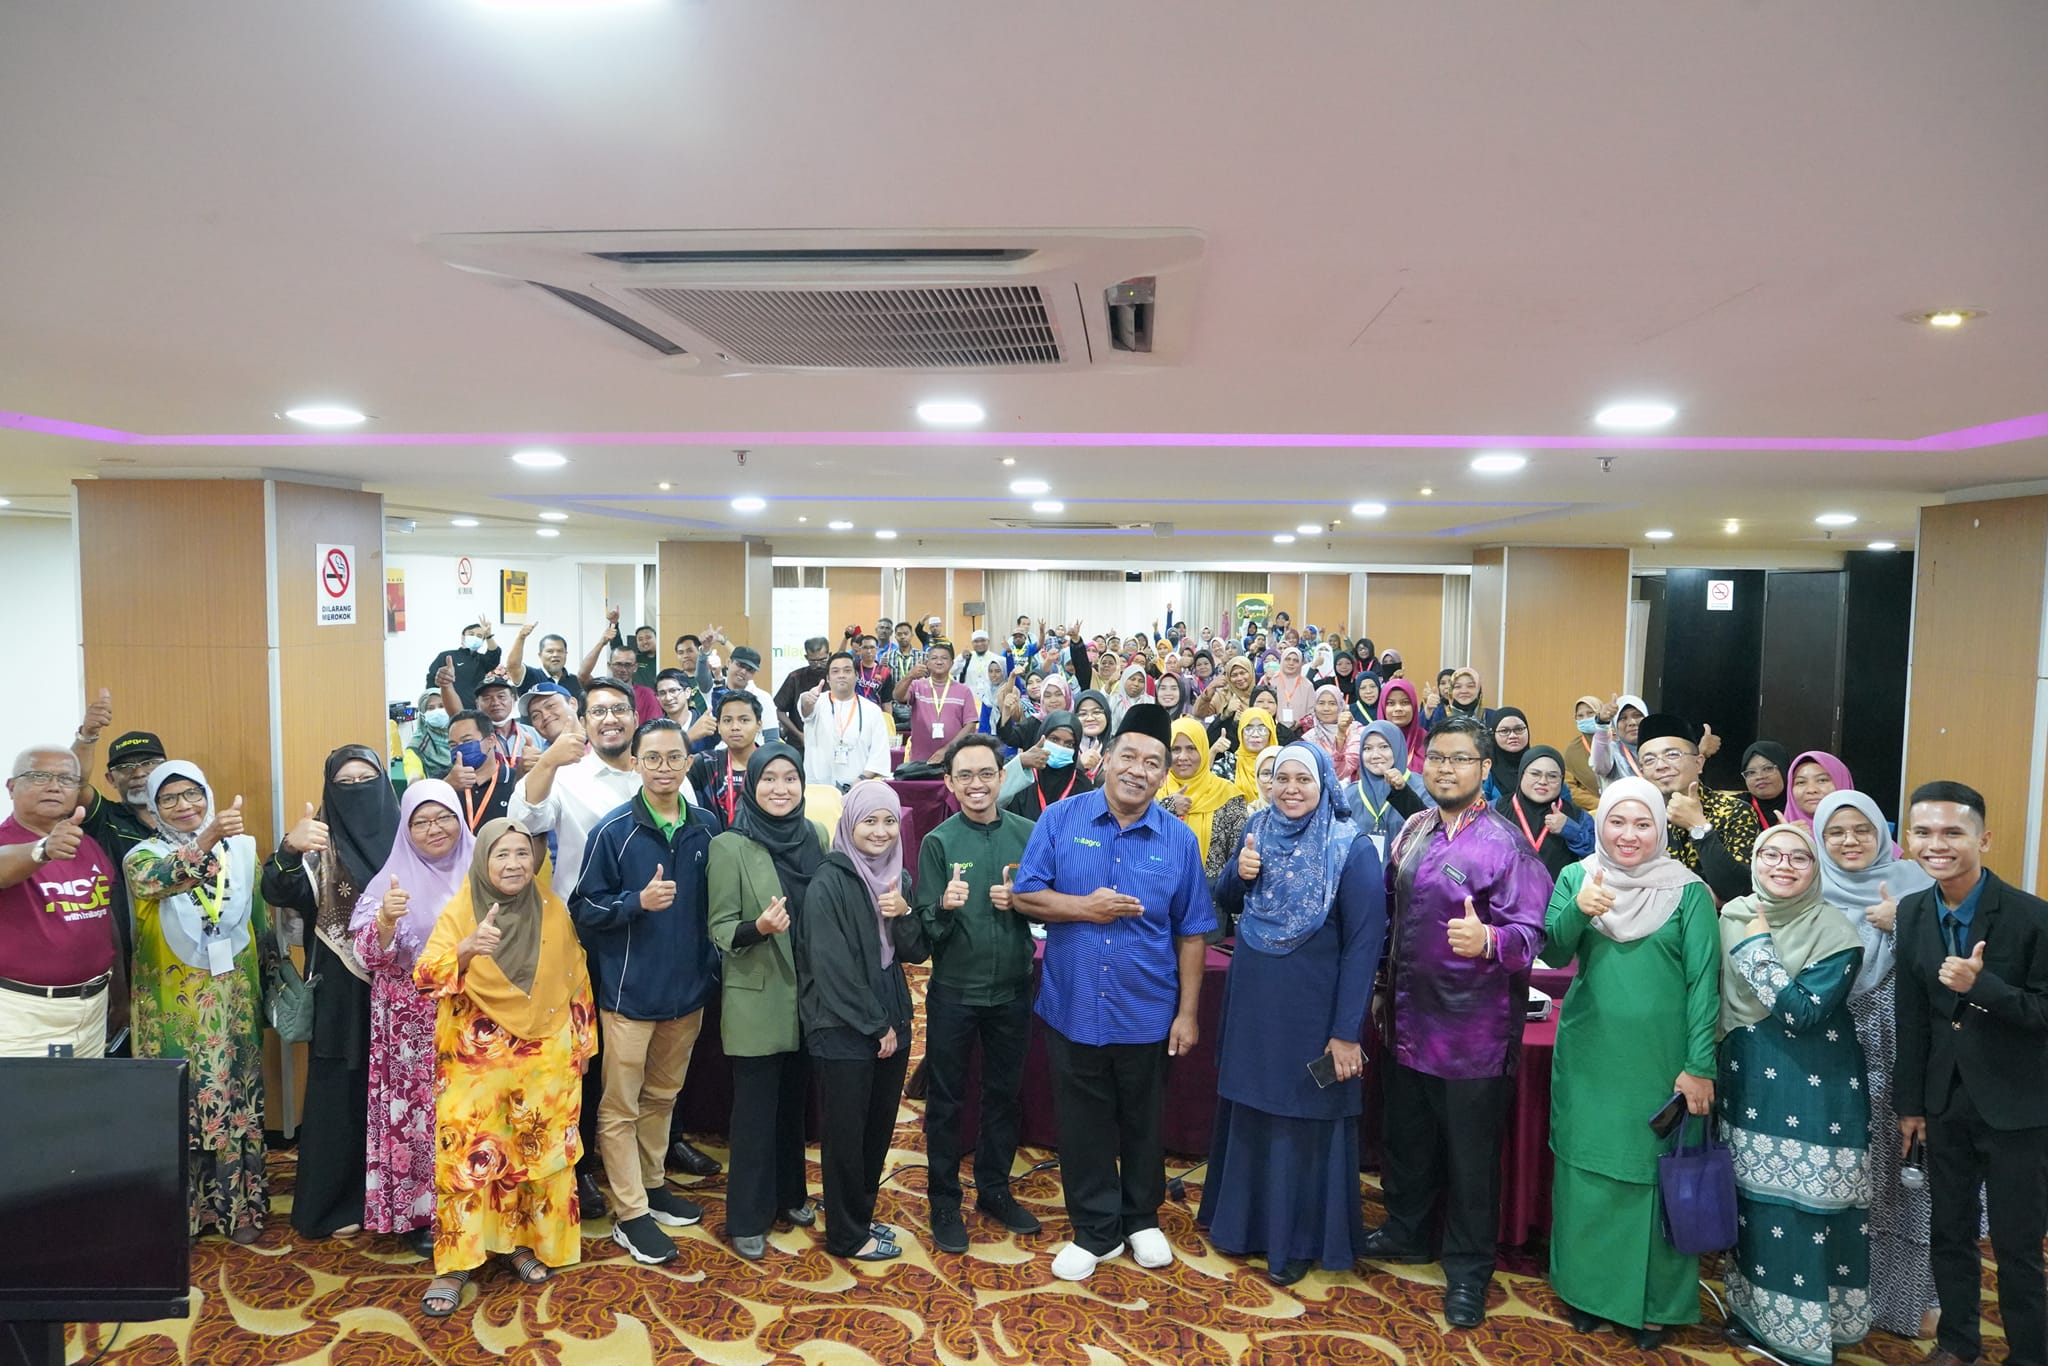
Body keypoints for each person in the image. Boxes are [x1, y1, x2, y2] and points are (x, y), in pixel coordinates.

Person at [1011, 703, 1216, 1281]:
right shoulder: (1061, 820)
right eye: (1128, 756)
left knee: (1144, 1117)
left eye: (1152, 763)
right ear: (1105, 759)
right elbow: (1025, 894)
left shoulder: (1179, 841)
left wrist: (1188, 1013)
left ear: (1164, 775)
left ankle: (1141, 1218)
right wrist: (1085, 908)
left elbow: (1193, 932)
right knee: (1083, 1120)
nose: (1137, 770)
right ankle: (1095, 1229)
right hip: (1073, 1000)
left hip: (1147, 1005)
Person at [1364, 716, 1549, 1328]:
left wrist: (1490, 940)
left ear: (1484, 769)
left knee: (1471, 1160)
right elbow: (1391, 915)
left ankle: (1468, 1269)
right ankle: (1407, 1231)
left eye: (1460, 759)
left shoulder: (1506, 845)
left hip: (1474, 1034)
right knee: (1407, 1140)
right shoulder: (1413, 828)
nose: (1446, 769)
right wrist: (1380, 989)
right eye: (1437, 758)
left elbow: (1532, 934)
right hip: (1407, 1019)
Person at [1542, 776, 1720, 1351]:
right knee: (1586, 1171)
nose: (1628, 834)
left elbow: (1704, 984)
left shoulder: (1688, 892)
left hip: (1661, 1064)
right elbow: (1553, 952)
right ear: (1600, 825)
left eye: (1642, 823)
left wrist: (1700, 1064)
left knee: (1653, 1176)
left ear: (1660, 829)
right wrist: (1577, 911)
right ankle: (1587, 1293)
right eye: (1617, 821)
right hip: (1590, 1057)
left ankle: (1654, 1305)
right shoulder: (1578, 877)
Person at [1201, 743, 1385, 1284]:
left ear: (1325, 783)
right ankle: (1242, 1227)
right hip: (1255, 1001)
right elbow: (1227, 897)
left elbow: (1363, 946)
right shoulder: (1257, 827)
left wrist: (1345, 1032)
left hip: (1312, 1008)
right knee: (1254, 1107)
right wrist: (1239, 872)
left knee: (1302, 1115)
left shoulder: (1350, 847)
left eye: (1304, 779)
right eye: (1282, 778)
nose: (1291, 789)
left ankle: (1297, 1240)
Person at [413, 818, 597, 1315]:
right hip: (476, 1064)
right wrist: (467, 949)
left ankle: (520, 1244)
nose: (514, 864)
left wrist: (583, 1044)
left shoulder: (551, 907)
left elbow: (576, 975)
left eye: (522, 854)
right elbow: (424, 978)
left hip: (546, 1060)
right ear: (483, 861)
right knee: (467, 1154)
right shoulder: (461, 910)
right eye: (502, 854)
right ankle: (456, 1265)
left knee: (533, 1154)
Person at [1894, 781, 2048, 1366]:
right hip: (1945, 1102)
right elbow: (1912, 1015)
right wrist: (1911, 1105)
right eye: (1924, 832)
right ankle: (1959, 1343)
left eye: (1952, 832)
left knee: (2017, 1246)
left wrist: (1984, 988)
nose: (1937, 844)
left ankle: (2030, 1353)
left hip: (2018, 1107)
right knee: (1949, 1233)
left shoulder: (2033, 917)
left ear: (1983, 840)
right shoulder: (1912, 911)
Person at [1718, 824, 1872, 1364]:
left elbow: (1800, 1012)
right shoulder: (1733, 913)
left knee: (1806, 1210)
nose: (1783, 866)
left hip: (1814, 1091)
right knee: (1753, 1205)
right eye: (1771, 854)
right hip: (1745, 1077)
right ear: (1755, 861)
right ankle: (1751, 1316)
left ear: (1815, 869)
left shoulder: (1835, 932)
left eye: (1798, 858)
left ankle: (1806, 1339)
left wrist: (1757, 947)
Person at [571, 719, 722, 1265]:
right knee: (619, 1107)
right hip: (629, 996)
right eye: (652, 758)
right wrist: (636, 902)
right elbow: (582, 908)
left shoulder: (706, 826)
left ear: (688, 763)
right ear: (635, 763)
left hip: (688, 992)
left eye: (673, 757)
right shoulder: (613, 831)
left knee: (662, 1097)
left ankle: (653, 1185)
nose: (663, 768)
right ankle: (630, 1213)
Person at [125, 762, 270, 1242]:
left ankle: (238, 1209)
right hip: (172, 1013)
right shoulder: (141, 858)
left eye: (193, 794)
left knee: (235, 1094)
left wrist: (273, 983)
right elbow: (164, 878)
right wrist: (208, 838)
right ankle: (184, 1216)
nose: (184, 805)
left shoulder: (243, 850)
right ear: (153, 808)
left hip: (233, 1003)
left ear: (208, 794)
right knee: (184, 1098)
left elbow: (260, 921)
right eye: (169, 799)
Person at [1813, 790, 1940, 1342]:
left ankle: (1909, 1301)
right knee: (1840, 1178)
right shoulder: (1807, 886)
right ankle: (1837, 1297)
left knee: (1904, 1181)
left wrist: (1905, 922)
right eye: (1836, 832)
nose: (1850, 841)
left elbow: (1958, 965)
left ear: (1883, 834)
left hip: (1903, 1058)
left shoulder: (1919, 888)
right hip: (1830, 1058)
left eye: (1862, 829)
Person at [259, 745, 399, 1240]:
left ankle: (401, 1201)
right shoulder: (318, 847)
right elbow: (278, 890)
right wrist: (289, 849)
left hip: (404, 991)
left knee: (403, 1094)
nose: (357, 789)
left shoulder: (409, 838)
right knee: (340, 1093)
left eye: (366, 779)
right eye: (345, 782)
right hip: (340, 993)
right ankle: (337, 1203)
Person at [917, 734, 1042, 1251]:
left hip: (1012, 988)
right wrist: (943, 908)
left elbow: (1050, 908)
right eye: (964, 775)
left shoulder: (1028, 834)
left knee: (1004, 1095)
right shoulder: (938, 843)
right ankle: (944, 1200)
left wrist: (1024, 904)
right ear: (949, 782)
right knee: (946, 1101)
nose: (976, 784)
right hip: (954, 991)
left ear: (1001, 777)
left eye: (986, 773)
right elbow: (925, 932)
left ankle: (994, 1189)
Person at [794, 781, 928, 1262]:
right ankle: (846, 1235)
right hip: (843, 1027)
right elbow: (832, 969)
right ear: (849, 823)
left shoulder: (897, 877)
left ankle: (859, 1215)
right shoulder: (828, 882)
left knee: (876, 1128)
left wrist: (903, 913)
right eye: (869, 820)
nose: (880, 831)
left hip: (891, 1019)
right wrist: (877, 1025)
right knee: (847, 1136)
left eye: (889, 820)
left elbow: (915, 951)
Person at [707, 744, 831, 1260]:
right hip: (758, 995)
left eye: (790, 778)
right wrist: (757, 927)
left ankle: (790, 1196)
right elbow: (718, 928)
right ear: (751, 786)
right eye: (769, 779)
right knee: (756, 1113)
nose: (781, 789)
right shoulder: (730, 845)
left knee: (794, 1104)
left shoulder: (816, 835)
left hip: (810, 992)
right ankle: (747, 1217)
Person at [351, 780, 473, 1259]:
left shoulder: (483, 867)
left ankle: (477, 1205)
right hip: (412, 1023)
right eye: (420, 822)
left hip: (477, 1012)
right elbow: (367, 957)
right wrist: (385, 919)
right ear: (405, 828)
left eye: (443, 817)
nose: (434, 829)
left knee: (473, 1107)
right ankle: (423, 1213)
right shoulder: (390, 881)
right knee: (422, 1117)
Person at [0, 748, 117, 1057]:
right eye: (39, 776)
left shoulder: (87, 844)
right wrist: (43, 849)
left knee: (85, 1090)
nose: (54, 786)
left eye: (66, 779)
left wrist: (121, 998)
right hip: (20, 1014)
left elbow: (104, 920)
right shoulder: (5, 841)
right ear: (11, 787)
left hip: (92, 1009)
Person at [510, 678, 649, 899]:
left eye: (619, 709)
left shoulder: (664, 775)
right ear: (584, 722)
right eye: (598, 711)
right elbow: (523, 822)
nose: (610, 719)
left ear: (636, 718)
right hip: (581, 910)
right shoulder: (562, 777)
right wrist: (547, 763)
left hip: (652, 906)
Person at [1633, 713, 1761, 904]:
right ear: (1642, 772)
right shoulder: (1639, 817)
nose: (1661, 766)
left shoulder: (1734, 811)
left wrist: (1698, 827)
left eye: (1672, 755)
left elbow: (1739, 891)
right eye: (1649, 760)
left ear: (1699, 762)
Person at [1159, 718, 1249, 883]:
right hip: (1160, 890)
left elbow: (1237, 859)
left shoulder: (1227, 795)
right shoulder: (1154, 792)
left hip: (1211, 893)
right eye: (1175, 749)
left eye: (1192, 748)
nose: (1183, 757)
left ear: (1203, 749)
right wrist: (1167, 807)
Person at [1494, 744, 1594, 885]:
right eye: (1535, 774)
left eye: (1552, 776)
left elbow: (1597, 856)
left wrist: (1571, 831)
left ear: (1561, 780)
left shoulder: (1577, 817)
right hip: (1504, 895)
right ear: (1521, 774)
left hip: (1557, 896)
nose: (1543, 782)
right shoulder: (1495, 810)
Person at [798, 650, 892, 789]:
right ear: (828, 678)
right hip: (819, 789)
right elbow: (806, 711)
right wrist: (807, 701)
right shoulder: (815, 702)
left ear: (856, 676)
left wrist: (860, 780)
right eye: (835, 671)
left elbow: (879, 754)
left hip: (858, 788)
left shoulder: (873, 711)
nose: (841, 675)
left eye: (847, 670)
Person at [688, 690, 763, 827]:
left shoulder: (772, 764)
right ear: (719, 726)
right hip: (716, 839)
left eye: (744, 720)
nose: (735, 727)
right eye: (727, 720)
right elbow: (665, 775)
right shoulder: (705, 763)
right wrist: (688, 738)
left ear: (759, 725)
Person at [1002, 710, 1095, 820]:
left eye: (1069, 744)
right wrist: (1020, 762)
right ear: (1042, 737)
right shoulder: (1019, 770)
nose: (1060, 747)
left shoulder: (1082, 785)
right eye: (1054, 739)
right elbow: (995, 800)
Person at [897, 640, 974, 765]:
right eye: (934, 658)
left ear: (951, 663)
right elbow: (898, 696)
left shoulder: (964, 691)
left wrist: (947, 750)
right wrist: (910, 676)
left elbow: (970, 726)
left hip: (954, 760)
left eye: (944, 658)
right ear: (927, 663)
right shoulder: (917, 686)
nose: (939, 662)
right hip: (920, 761)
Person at [444, 710, 516, 833]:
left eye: (467, 741)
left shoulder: (515, 780)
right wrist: (446, 786)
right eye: (453, 745)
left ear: (491, 740)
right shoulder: (443, 781)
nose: (460, 749)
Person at [424, 615, 503, 709]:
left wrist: (488, 636)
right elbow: (431, 680)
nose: (475, 637)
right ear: (463, 637)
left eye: (479, 636)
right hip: (448, 708)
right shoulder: (446, 656)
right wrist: (434, 706)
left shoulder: (482, 660)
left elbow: (494, 655)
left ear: (482, 641)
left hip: (475, 709)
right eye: (471, 634)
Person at [472, 673, 542, 775]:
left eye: (501, 696)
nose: (495, 702)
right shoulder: (474, 739)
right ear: (477, 704)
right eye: (487, 698)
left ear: (513, 699)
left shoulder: (535, 734)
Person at [772, 637, 833, 748]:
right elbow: (779, 710)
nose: (818, 665)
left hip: (830, 741)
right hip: (799, 742)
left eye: (823, 660)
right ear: (806, 657)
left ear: (829, 655)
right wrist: (799, 734)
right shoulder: (795, 678)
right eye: (813, 661)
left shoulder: (835, 677)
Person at [506, 625, 585, 705]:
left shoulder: (575, 681)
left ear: (566, 654)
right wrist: (521, 638)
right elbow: (513, 666)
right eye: (550, 651)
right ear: (540, 655)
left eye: (560, 651)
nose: (555, 655)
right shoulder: (530, 676)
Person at [1782, 750, 1854, 830]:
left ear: (1842, 782)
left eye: (1822, 780)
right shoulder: (1779, 835)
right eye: (1801, 782)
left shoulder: (1862, 834)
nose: (1811, 790)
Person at [1299, 683, 1355, 780]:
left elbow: (1348, 769)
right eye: (1321, 703)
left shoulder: (1355, 731)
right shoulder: (1308, 739)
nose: (1326, 708)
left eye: (1332, 703)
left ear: (1340, 706)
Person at [1562, 696, 1606, 813]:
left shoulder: (1616, 742)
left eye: (1590, 713)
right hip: (1592, 811)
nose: (1585, 719)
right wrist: (1601, 804)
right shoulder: (1572, 750)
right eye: (1580, 716)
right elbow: (1570, 788)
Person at [1377, 678, 1428, 772]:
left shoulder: (1427, 741)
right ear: (1383, 707)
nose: (1398, 708)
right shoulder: (1373, 740)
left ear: (1414, 706)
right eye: (1391, 703)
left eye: (1405, 702)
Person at [1739, 740, 1793, 828]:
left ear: (1784, 769)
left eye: (1768, 769)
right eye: (1751, 772)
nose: (1759, 776)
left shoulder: (1803, 804)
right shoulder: (1736, 807)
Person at [1482, 707, 1531, 802]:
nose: (1513, 736)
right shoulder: (1486, 769)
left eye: (1519, 729)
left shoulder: (1539, 764)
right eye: (1504, 731)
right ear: (1493, 734)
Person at [407, 691, 454, 781]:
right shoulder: (417, 745)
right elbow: (414, 780)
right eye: (430, 708)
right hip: (432, 788)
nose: (437, 711)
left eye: (442, 706)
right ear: (423, 713)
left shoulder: (460, 735)